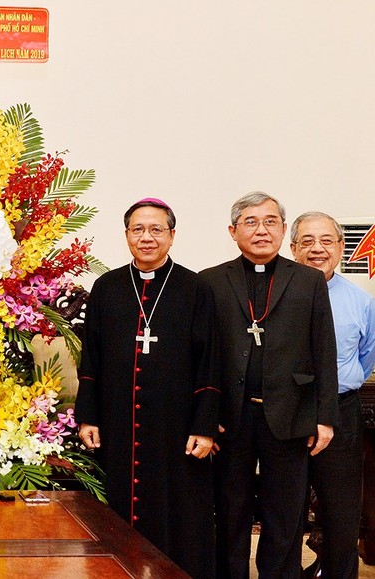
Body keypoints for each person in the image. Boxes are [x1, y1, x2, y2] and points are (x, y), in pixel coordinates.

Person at [75, 198, 218, 578]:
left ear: (172, 235)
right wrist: (87, 416)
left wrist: (204, 426)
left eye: (156, 229)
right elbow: (91, 357)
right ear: (126, 235)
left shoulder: (195, 288)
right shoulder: (107, 287)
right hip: (118, 422)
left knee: (178, 511)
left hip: (176, 427)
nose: (147, 237)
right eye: (138, 229)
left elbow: (210, 361)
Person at [201, 192, 338, 579]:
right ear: (233, 231)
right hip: (231, 417)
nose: (261, 230)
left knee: (286, 515)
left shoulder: (308, 281)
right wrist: (205, 416)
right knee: (230, 511)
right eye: (250, 222)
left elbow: (323, 350)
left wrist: (325, 417)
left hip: (291, 414)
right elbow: (201, 355)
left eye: (270, 221)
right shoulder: (210, 281)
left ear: (282, 229)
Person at [290, 211, 375, 578]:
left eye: (326, 240)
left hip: (342, 412)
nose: (317, 249)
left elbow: (366, 357)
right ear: (293, 248)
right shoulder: (277, 295)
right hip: (287, 412)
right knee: (286, 508)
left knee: (341, 511)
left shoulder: (361, 301)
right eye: (307, 241)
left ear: (341, 247)